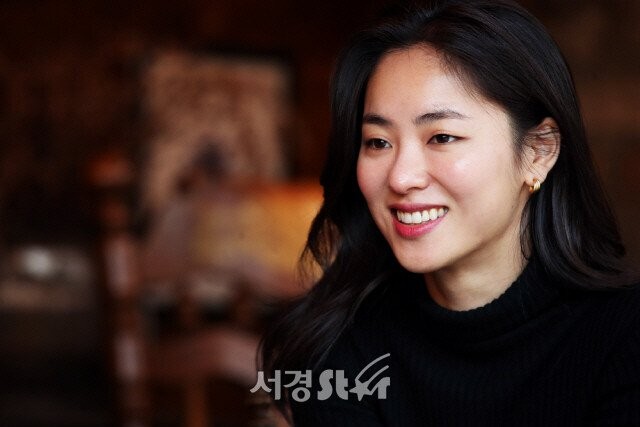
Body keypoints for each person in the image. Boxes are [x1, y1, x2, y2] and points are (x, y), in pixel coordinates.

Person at [259, 0, 640, 425]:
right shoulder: (339, 345)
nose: (401, 177)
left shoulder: (625, 335)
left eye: (441, 137)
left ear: (539, 151)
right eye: (378, 142)